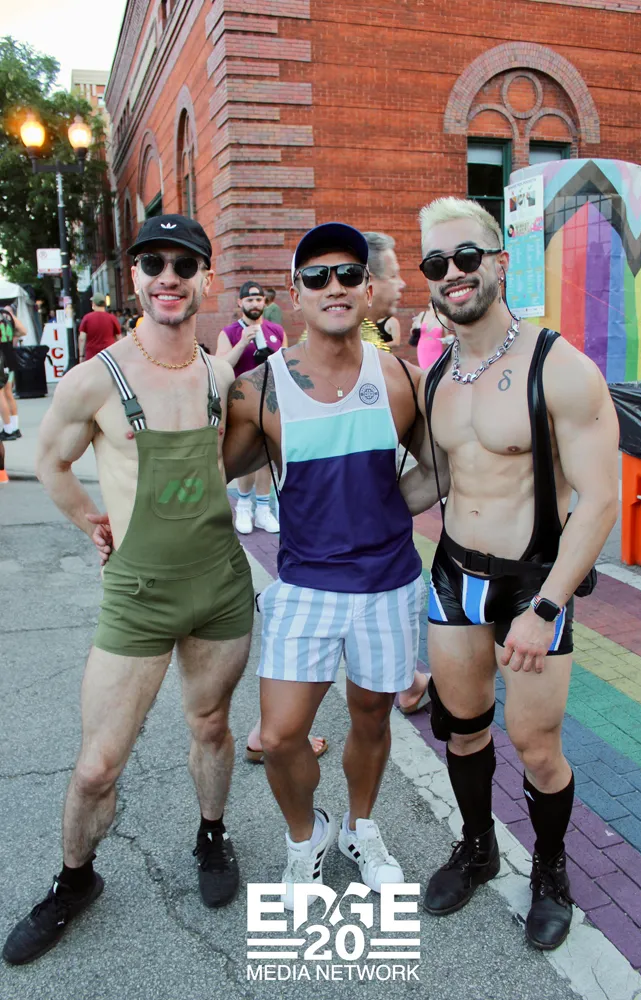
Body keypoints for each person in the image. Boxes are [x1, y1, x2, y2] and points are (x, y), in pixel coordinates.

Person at [3, 214, 254, 967]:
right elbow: (49, 461)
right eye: (154, 263)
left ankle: (211, 834)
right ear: (135, 277)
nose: (168, 277)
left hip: (220, 587)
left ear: (205, 278)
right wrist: (91, 520)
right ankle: (75, 880)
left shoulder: (219, 376)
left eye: (184, 264)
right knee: (96, 765)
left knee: (210, 725)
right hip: (138, 596)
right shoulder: (95, 378)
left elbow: (239, 457)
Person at [400, 196, 619, 951]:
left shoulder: (560, 367)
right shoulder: (437, 377)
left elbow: (599, 499)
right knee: (461, 730)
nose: (452, 273)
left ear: (498, 261)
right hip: (453, 574)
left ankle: (550, 871)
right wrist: (346, 513)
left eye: (466, 256)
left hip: (532, 582)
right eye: (436, 263)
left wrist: (547, 607)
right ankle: (477, 847)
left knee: (534, 744)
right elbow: (434, 479)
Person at [223, 222, 426, 906]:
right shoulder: (257, 389)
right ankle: (306, 838)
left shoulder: (401, 378)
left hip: (387, 585)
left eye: (347, 274)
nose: (333, 286)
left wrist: (385, 506)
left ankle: (361, 829)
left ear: (367, 289)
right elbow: (207, 472)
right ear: (295, 293)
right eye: (316, 276)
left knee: (371, 717)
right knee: (281, 735)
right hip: (305, 585)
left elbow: (443, 469)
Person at [216, 281, 285, 535]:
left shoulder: (276, 330)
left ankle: (263, 510)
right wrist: (242, 343)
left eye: (258, 299)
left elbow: (284, 364)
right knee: (247, 457)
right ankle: (244, 506)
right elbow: (221, 366)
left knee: (266, 458)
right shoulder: (230, 332)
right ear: (240, 303)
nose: (254, 304)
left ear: (264, 302)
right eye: (249, 299)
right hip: (241, 406)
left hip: (270, 403)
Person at [0, 303, 27, 441]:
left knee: (0, 395)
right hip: (9, 356)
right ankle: (15, 428)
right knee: (8, 392)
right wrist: (10, 338)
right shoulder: (7, 314)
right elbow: (23, 331)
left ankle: (8, 429)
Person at [78, 294, 122, 362]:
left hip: (92, 356)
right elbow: (119, 337)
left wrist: (81, 356)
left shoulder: (87, 318)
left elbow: (82, 338)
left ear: (94, 304)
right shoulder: (112, 318)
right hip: (109, 355)